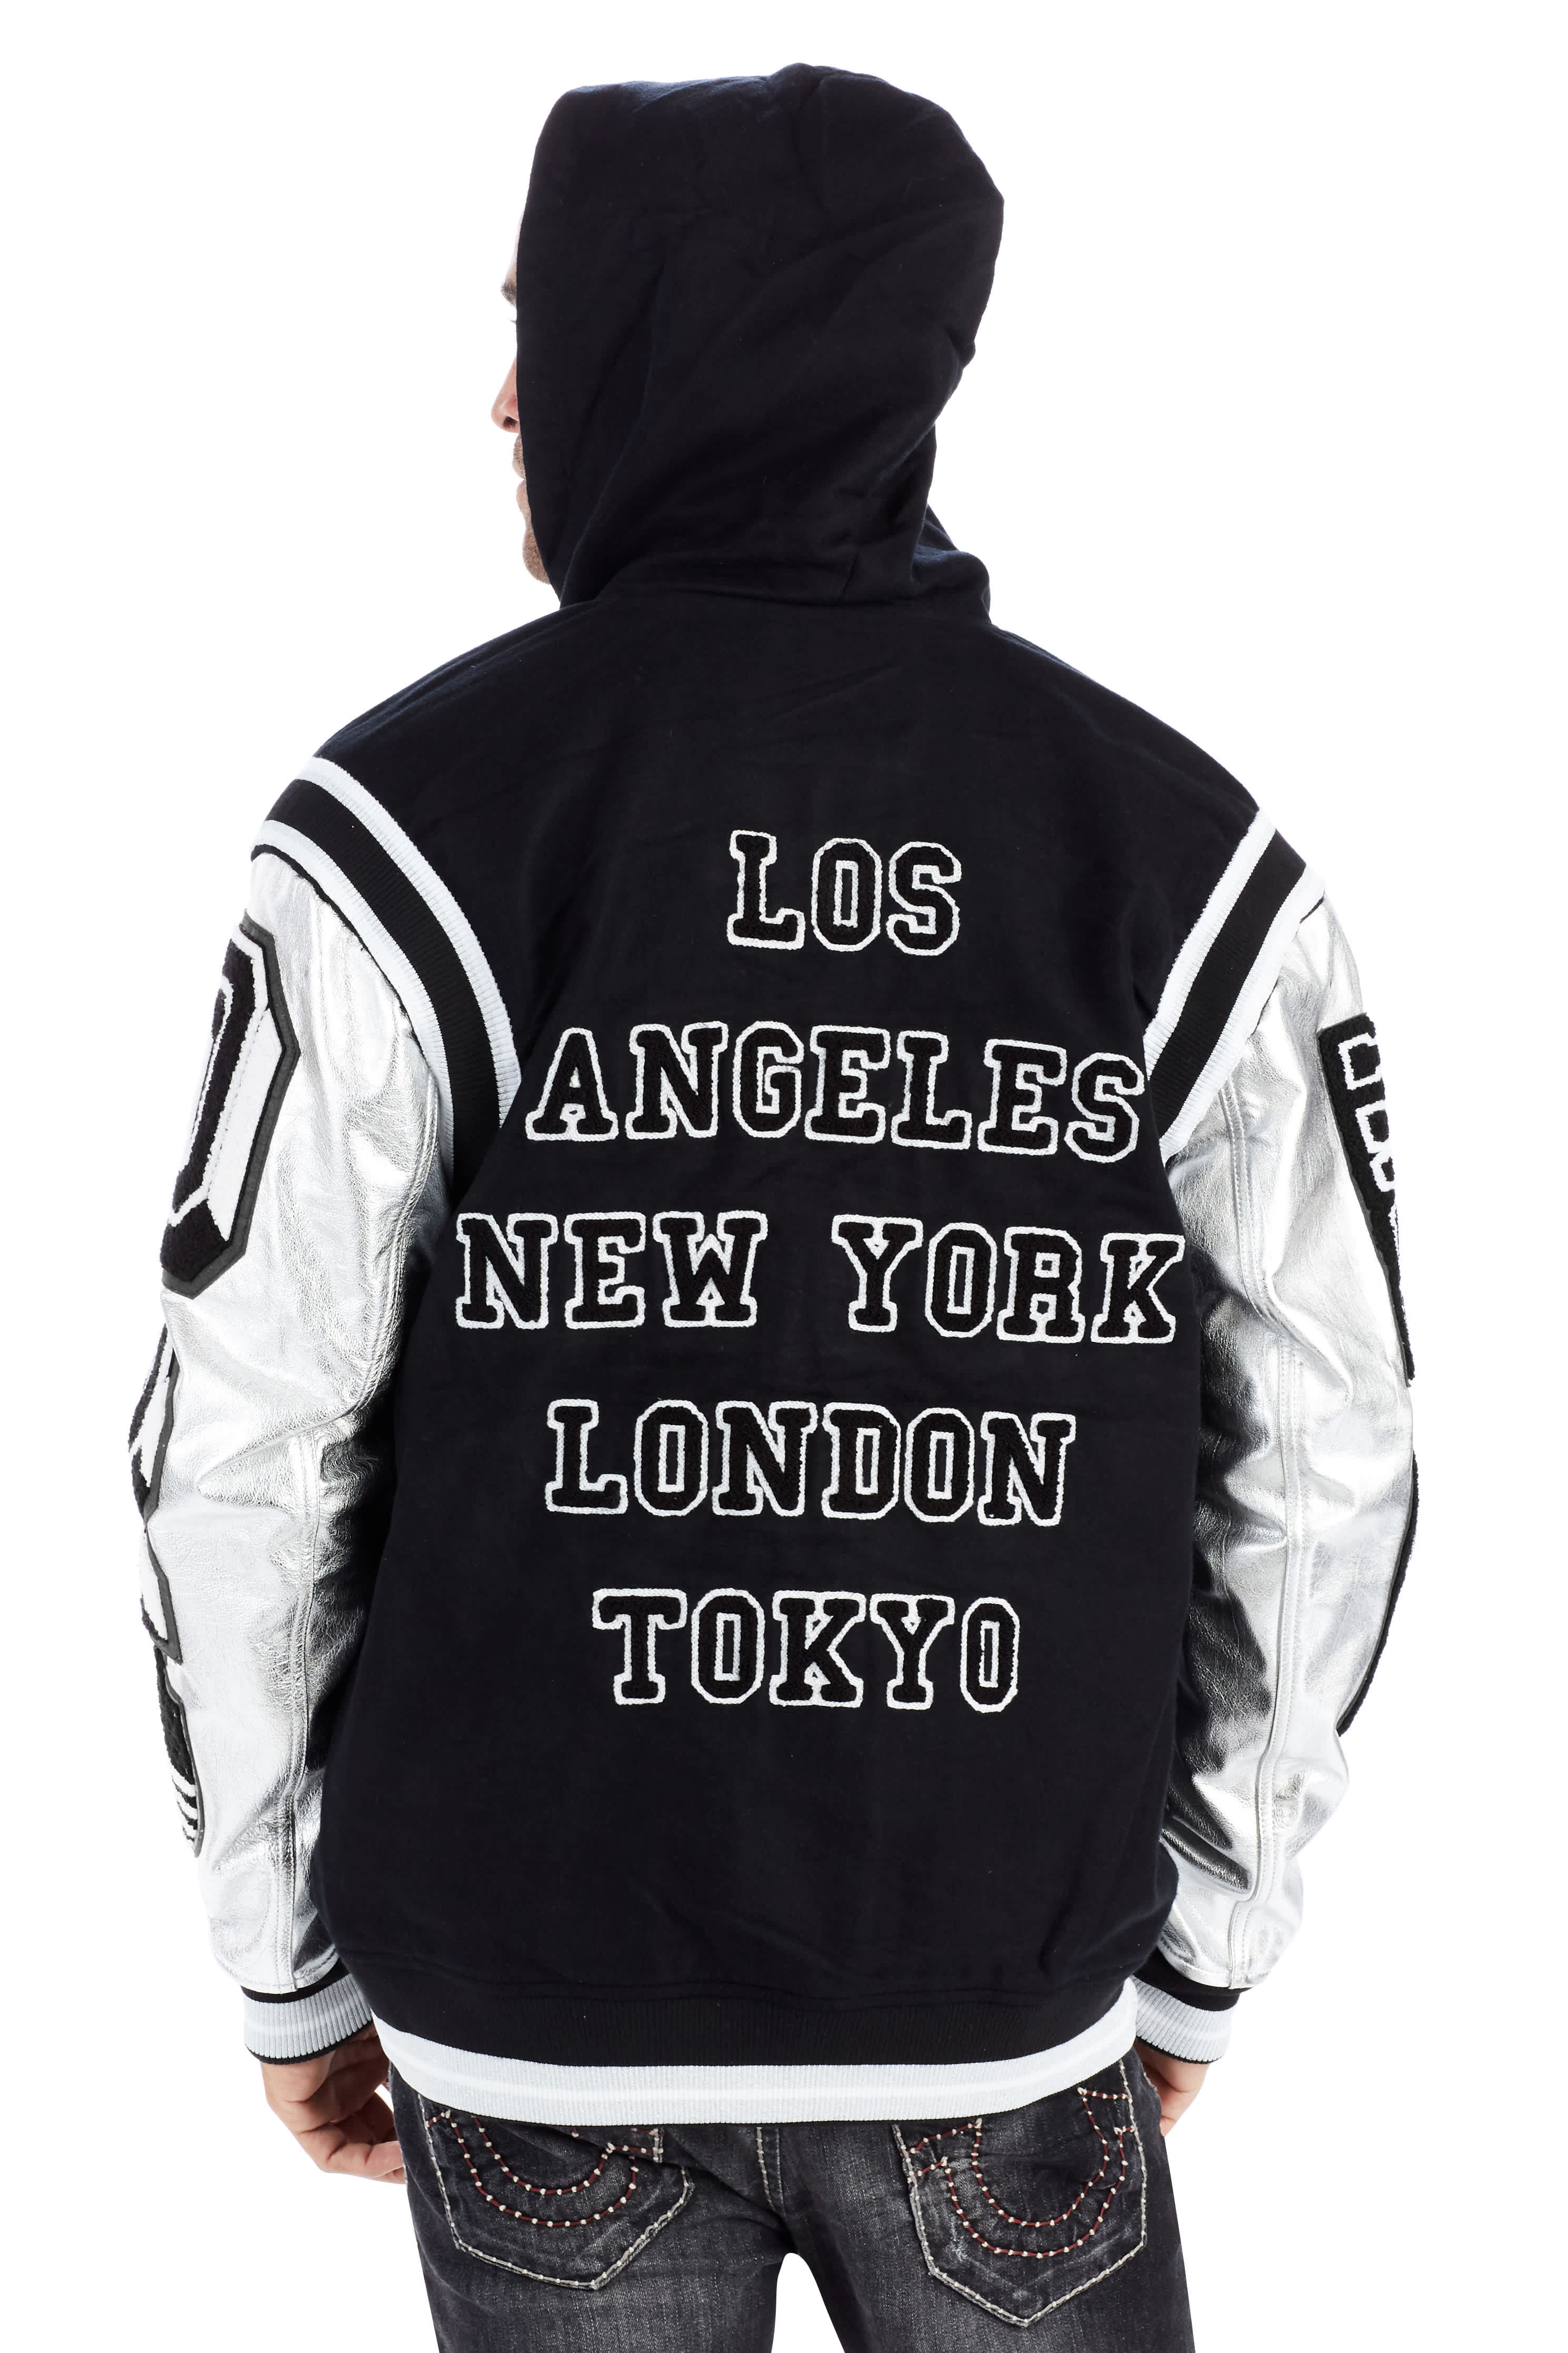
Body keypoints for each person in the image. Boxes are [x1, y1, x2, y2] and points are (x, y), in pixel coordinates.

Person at [131, 64, 1415, 2351]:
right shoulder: (1178, 849)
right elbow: (1328, 1453)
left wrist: (282, 1956)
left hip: (530, 2021)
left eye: (543, 318)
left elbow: (238, 1451)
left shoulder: (399, 825)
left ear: (670, 338)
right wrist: (1207, 1941)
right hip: (998, 2001)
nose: (504, 399)